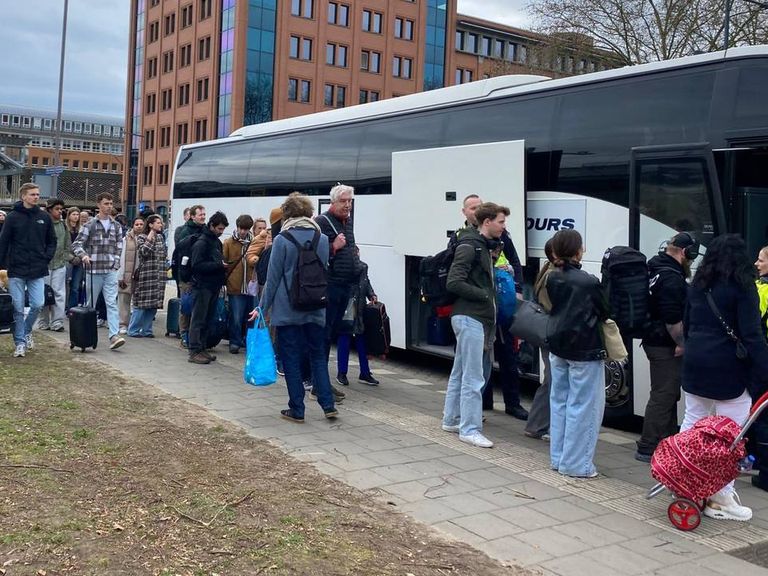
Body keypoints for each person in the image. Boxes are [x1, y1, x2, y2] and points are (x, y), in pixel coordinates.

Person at [680, 234, 768, 521]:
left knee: (692, 423)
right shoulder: (743, 288)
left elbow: (689, 326)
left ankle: (683, 482)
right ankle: (720, 498)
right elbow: (752, 336)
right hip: (728, 369)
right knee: (731, 435)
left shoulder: (698, 286)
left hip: (695, 363)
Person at [248, 193, 338, 422]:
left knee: (290, 358)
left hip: (288, 310)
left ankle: (297, 409)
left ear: (287, 214)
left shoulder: (282, 240)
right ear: (309, 213)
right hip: (316, 307)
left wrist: (261, 307)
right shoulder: (323, 240)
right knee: (318, 356)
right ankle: (328, 405)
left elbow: (273, 278)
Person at [441, 202, 510, 449]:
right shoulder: (471, 246)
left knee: (460, 372)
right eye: (501, 222)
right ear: (487, 222)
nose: (504, 227)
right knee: (474, 376)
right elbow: (454, 282)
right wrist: (485, 295)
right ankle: (469, 429)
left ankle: (451, 419)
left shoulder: (483, 246)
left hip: (472, 317)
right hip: (470, 317)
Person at [546, 229, 609, 478]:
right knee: (583, 406)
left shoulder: (553, 277)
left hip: (558, 343)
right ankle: (576, 464)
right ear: (577, 250)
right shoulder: (588, 281)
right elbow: (604, 310)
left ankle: (558, 458)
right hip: (584, 346)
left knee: (559, 401)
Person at [635, 232, 699, 463]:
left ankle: (667, 441)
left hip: (654, 340)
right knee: (664, 394)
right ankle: (648, 446)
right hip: (665, 344)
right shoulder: (671, 278)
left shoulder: (656, 268)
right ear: (685, 252)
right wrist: (682, 343)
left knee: (668, 392)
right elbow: (672, 318)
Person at [316, 184, 360, 402]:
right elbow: (315, 256)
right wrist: (334, 247)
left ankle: (321, 382)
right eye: (344, 201)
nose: (348, 205)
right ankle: (319, 384)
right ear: (332, 202)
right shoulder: (322, 222)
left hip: (345, 285)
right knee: (324, 335)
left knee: (332, 334)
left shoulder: (347, 222)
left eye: (350, 201)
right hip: (330, 286)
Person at [0, 183, 56, 357]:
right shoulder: (12, 217)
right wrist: (2, 264)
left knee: (38, 304)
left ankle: (25, 331)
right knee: (17, 307)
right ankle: (20, 343)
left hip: (37, 269)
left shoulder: (44, 217)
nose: (36, 197)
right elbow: (4, 242)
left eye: (38, 194)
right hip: (16, 269)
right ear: (23, 196)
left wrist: (45, 257)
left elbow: (52, 241)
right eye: (32, 194)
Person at [72, 192, 126, 351]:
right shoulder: (90, 225)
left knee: (112, 303)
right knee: (90, 305)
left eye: (111, 203)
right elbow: (76, 245)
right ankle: (84, 334)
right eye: (106, 204)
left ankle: (114, 335)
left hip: (109, 270)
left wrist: (116, 264)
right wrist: (84, 256)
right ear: (98, 205)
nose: (109, 206)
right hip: (93, 270)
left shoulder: (116, 226)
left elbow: (118, 247)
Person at [485, 228, 528, 420]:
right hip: (484, 306)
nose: (502, 225)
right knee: (483, 357)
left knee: (508, 355)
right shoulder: (465, 236)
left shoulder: (503, 237)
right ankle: (485, 401)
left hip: (503, 302)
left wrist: (517, 287)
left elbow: (515, 262)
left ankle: (513, 404)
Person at [524, 238, 556, 440]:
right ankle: (538, 425)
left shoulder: (547, 269)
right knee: (553, 380)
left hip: (547, 332)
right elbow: (552, 307)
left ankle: (537, 424)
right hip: (551, 333)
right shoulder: (552, 275)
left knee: (552, 380)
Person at [188, 211, 228, 364]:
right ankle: (194, 350)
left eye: (223, 229)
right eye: (219, 228)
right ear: (211, 226)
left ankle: (202, 347)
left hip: (213, 285)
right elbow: (196, 265)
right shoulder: (202, 242)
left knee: (207, 318)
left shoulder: (215, 242)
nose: (221, 231)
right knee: (198, 318)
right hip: (202, 285)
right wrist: (218, 265)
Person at [336, 256, 380, 386]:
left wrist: (371, 294)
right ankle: (344, 372)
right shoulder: (347, 267)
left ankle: (363, 372)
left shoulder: (362, 267)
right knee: (346, 337)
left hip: (356, 306)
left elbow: (366, 282)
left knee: (358, 338)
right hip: (349, 306)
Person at [37, 199, 74, 332]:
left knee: (59, 293)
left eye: (61, 209)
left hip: (59, 264)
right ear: (49, 209)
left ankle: (57, 321)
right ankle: (43, 320)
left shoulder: (63, 225)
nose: (60, 211)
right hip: (44, 264)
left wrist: (65, 258)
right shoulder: (41, 223)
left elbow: (67, 244)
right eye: (57, 209)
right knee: (44, 293)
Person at [128, 215, 167, 337]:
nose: (161, 225)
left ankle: (147, 330)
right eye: (158, 223)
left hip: (159, 275)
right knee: (141, 304)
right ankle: (133, 330)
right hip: (146, 275)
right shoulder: (141, 237)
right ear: (150, 225)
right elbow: (143, 252)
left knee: (153, 305)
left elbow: (163, 254)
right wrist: (150, 237)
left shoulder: (161, 237)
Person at [223, 214, 255, 354]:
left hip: (250, 287)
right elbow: (224, 262)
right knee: (236, 316)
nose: (243, 232)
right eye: (241, 228)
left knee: (250, 317)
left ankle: (248, 341)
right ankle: (234, 341)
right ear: (237, 227)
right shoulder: (229, 243)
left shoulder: (254, 242)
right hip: (235, 286)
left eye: (246, 229)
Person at [176, 204, 206, 348]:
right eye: (200, 215)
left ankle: (196, 336)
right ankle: (184, 334)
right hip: (187, 275)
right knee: (186, 306)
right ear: (193, 216)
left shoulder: (205, 230)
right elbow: (183, 251)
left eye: (204, 215)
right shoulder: (185, 231)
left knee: (198, 307)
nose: (203, 217)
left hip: (201, 275)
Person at [750, 245, 768, 491]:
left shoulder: (759, 290)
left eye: (761, 259)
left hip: (763, 359)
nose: (756, 263)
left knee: (761, 415)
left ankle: (764, 473)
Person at [117, 217, 145, 335]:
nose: (139, 226)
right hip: (127, 273)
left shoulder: (147, 238)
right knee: (124, 300)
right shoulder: (125, 239)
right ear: (133, 225)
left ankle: (138, 325)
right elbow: (122, 257)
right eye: (136, 224)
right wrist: (121, 275)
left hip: (141, 275)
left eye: (141, 224)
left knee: (139, 301)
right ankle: (123, 324)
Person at [65, 207, 83, 311]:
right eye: (74, 214)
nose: (76, 217)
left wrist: (80, 256)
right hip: (67, 259)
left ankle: (73, 309)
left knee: (76, 286)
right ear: (69, 216)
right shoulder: (65, 227)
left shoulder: (82, 229)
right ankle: (66, 306)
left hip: (79, 259)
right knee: (66, 284)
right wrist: (71, 258)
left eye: (77, 214)